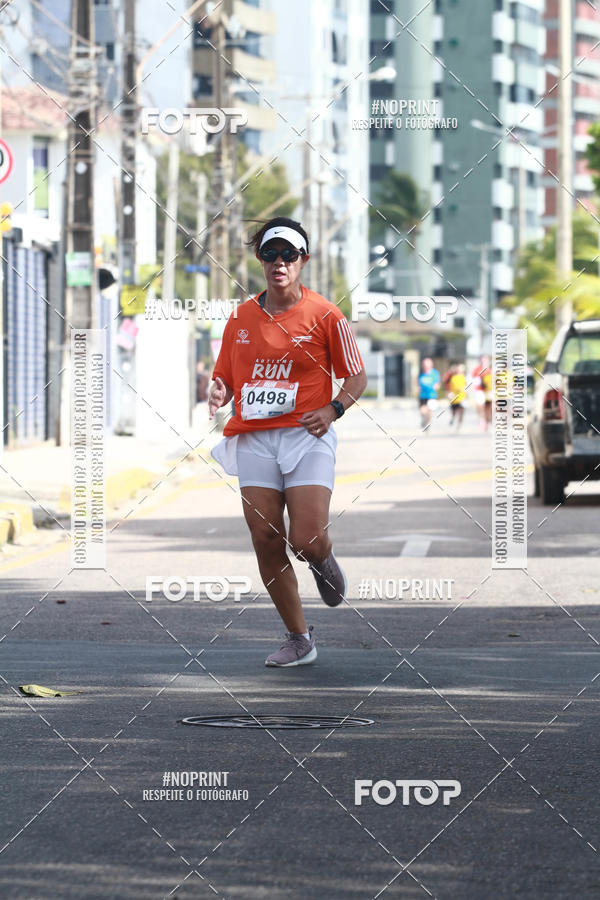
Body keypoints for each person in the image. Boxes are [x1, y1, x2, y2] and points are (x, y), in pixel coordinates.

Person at [208, 217, 367, 668]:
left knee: (305, 539)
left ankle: (322, 558)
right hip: (255, 438)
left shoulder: (326, 315)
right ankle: (299, 637)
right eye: (270, 254)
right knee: (265, 538)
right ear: (260, 260)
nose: (279, 263)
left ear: (303, 261)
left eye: (288, 255)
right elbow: (226, 375)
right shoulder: (241, 316)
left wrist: (333, 409)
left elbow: (357, 376)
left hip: (306, 436)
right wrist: (220, 390)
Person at [417, 357, 441, 430]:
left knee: (429, 412)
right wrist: (418, 388)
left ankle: (427, 424)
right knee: (422, 411)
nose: (426, 367)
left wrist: (436, 386)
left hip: (432, 395)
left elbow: (438, 384)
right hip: (423, 395)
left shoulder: (434, 373)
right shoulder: (421, 373)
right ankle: (424, 421)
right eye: (424, 365)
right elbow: (418, 382)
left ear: (431, 366)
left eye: (427, 366)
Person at [472, 354, 490, 431]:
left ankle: (487, 421)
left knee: (489, 407)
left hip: (489, 391)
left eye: (485, 360)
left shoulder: (490, 369)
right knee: (480, 406)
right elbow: (475, 380)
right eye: (483, 360)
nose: (484, 362)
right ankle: (481, 420)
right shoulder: (477, 370)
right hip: (480, 390)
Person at [447, 363, 467, 429]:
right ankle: (452, 418)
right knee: (454, 411)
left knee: (461, 411)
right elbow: (450, 387)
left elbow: (467, 386)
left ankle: (459, 425)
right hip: (454, 398)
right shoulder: (453, 377)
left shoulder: (464, 377)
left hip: (462, 397)